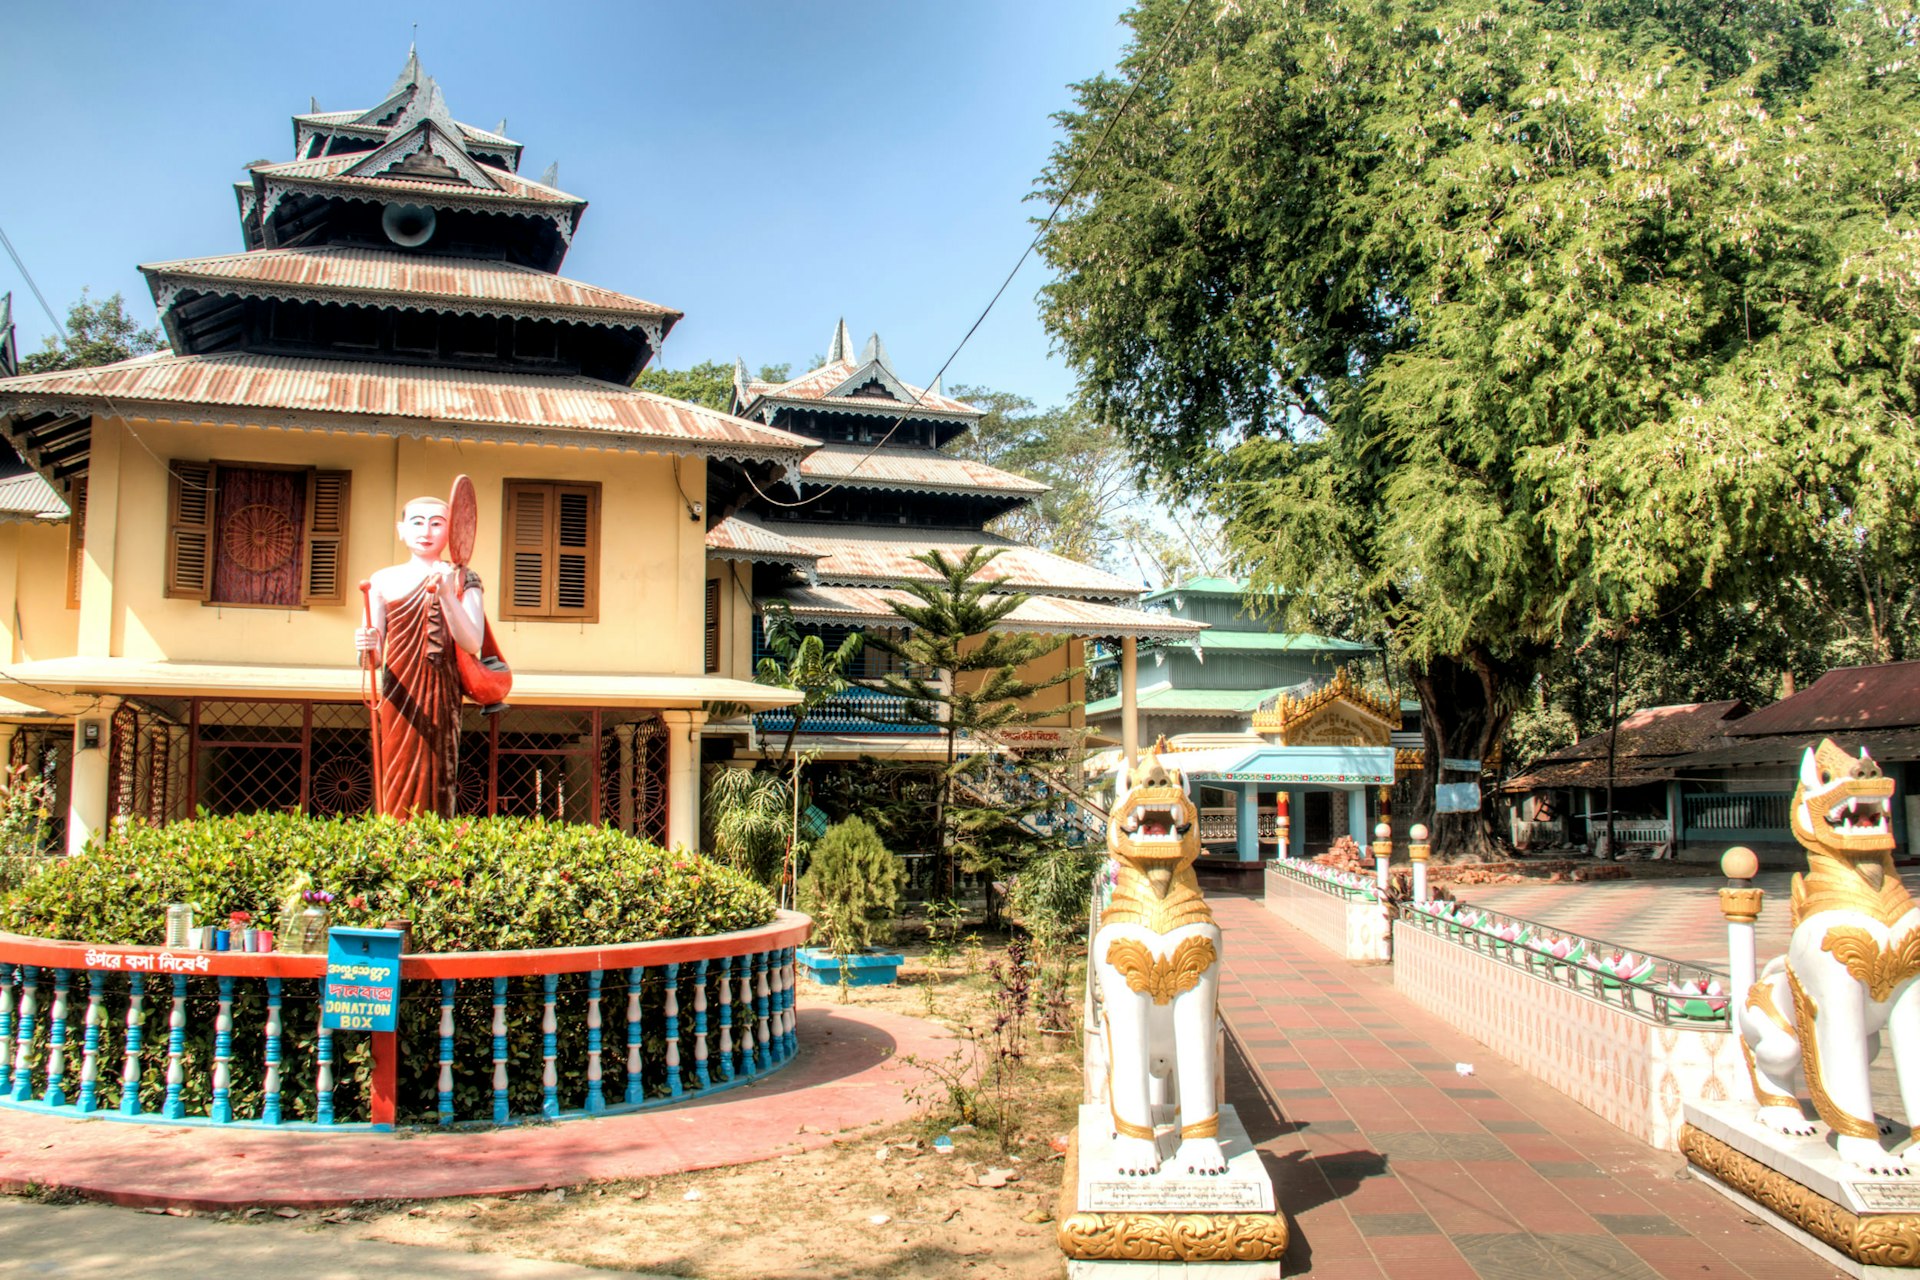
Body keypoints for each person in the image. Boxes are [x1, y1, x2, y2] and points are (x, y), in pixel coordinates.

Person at [355, 496, 485, 818]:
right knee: (395, 773)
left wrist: (445, 595)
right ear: (401, 530)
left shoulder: (464, 578)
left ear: (450, 531)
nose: (426, 530)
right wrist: (365, 645)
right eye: (417, 522)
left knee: (441, 774)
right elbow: (371, 661)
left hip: (442, 690)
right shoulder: (382, 580)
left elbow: (472, 641)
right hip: (400, 693)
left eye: (436, 523)